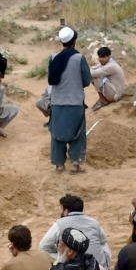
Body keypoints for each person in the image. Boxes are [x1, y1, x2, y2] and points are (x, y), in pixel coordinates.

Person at [48, 26, 92, 174]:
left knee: (57, 133)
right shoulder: (79, 58)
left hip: (57, 103)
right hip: (75, 102)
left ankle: (59, 164)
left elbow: (51, 80)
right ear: (74, 41)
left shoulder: (53, 58)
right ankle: (75, 164)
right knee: (77, 133)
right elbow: (86, 80)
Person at [39, 195, 111, 269]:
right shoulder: (94, 222)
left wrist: (60, 255)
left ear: (66, 210)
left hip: (72, 269)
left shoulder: (59, 224)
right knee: (103, 245)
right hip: (99, 268)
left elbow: (43, 246)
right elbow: (103, 241)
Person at [89, 46, 126, 111]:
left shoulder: (111, 66)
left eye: (103, 57)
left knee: (96, 76)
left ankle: (102, 100)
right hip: (113, 91)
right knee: (95, 73)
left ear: (109, 56)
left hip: (115, 94)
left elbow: (93, 73)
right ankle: (103, 98)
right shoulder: (105, 64)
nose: (101, 59)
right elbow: (92, 68)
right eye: (100, 57)